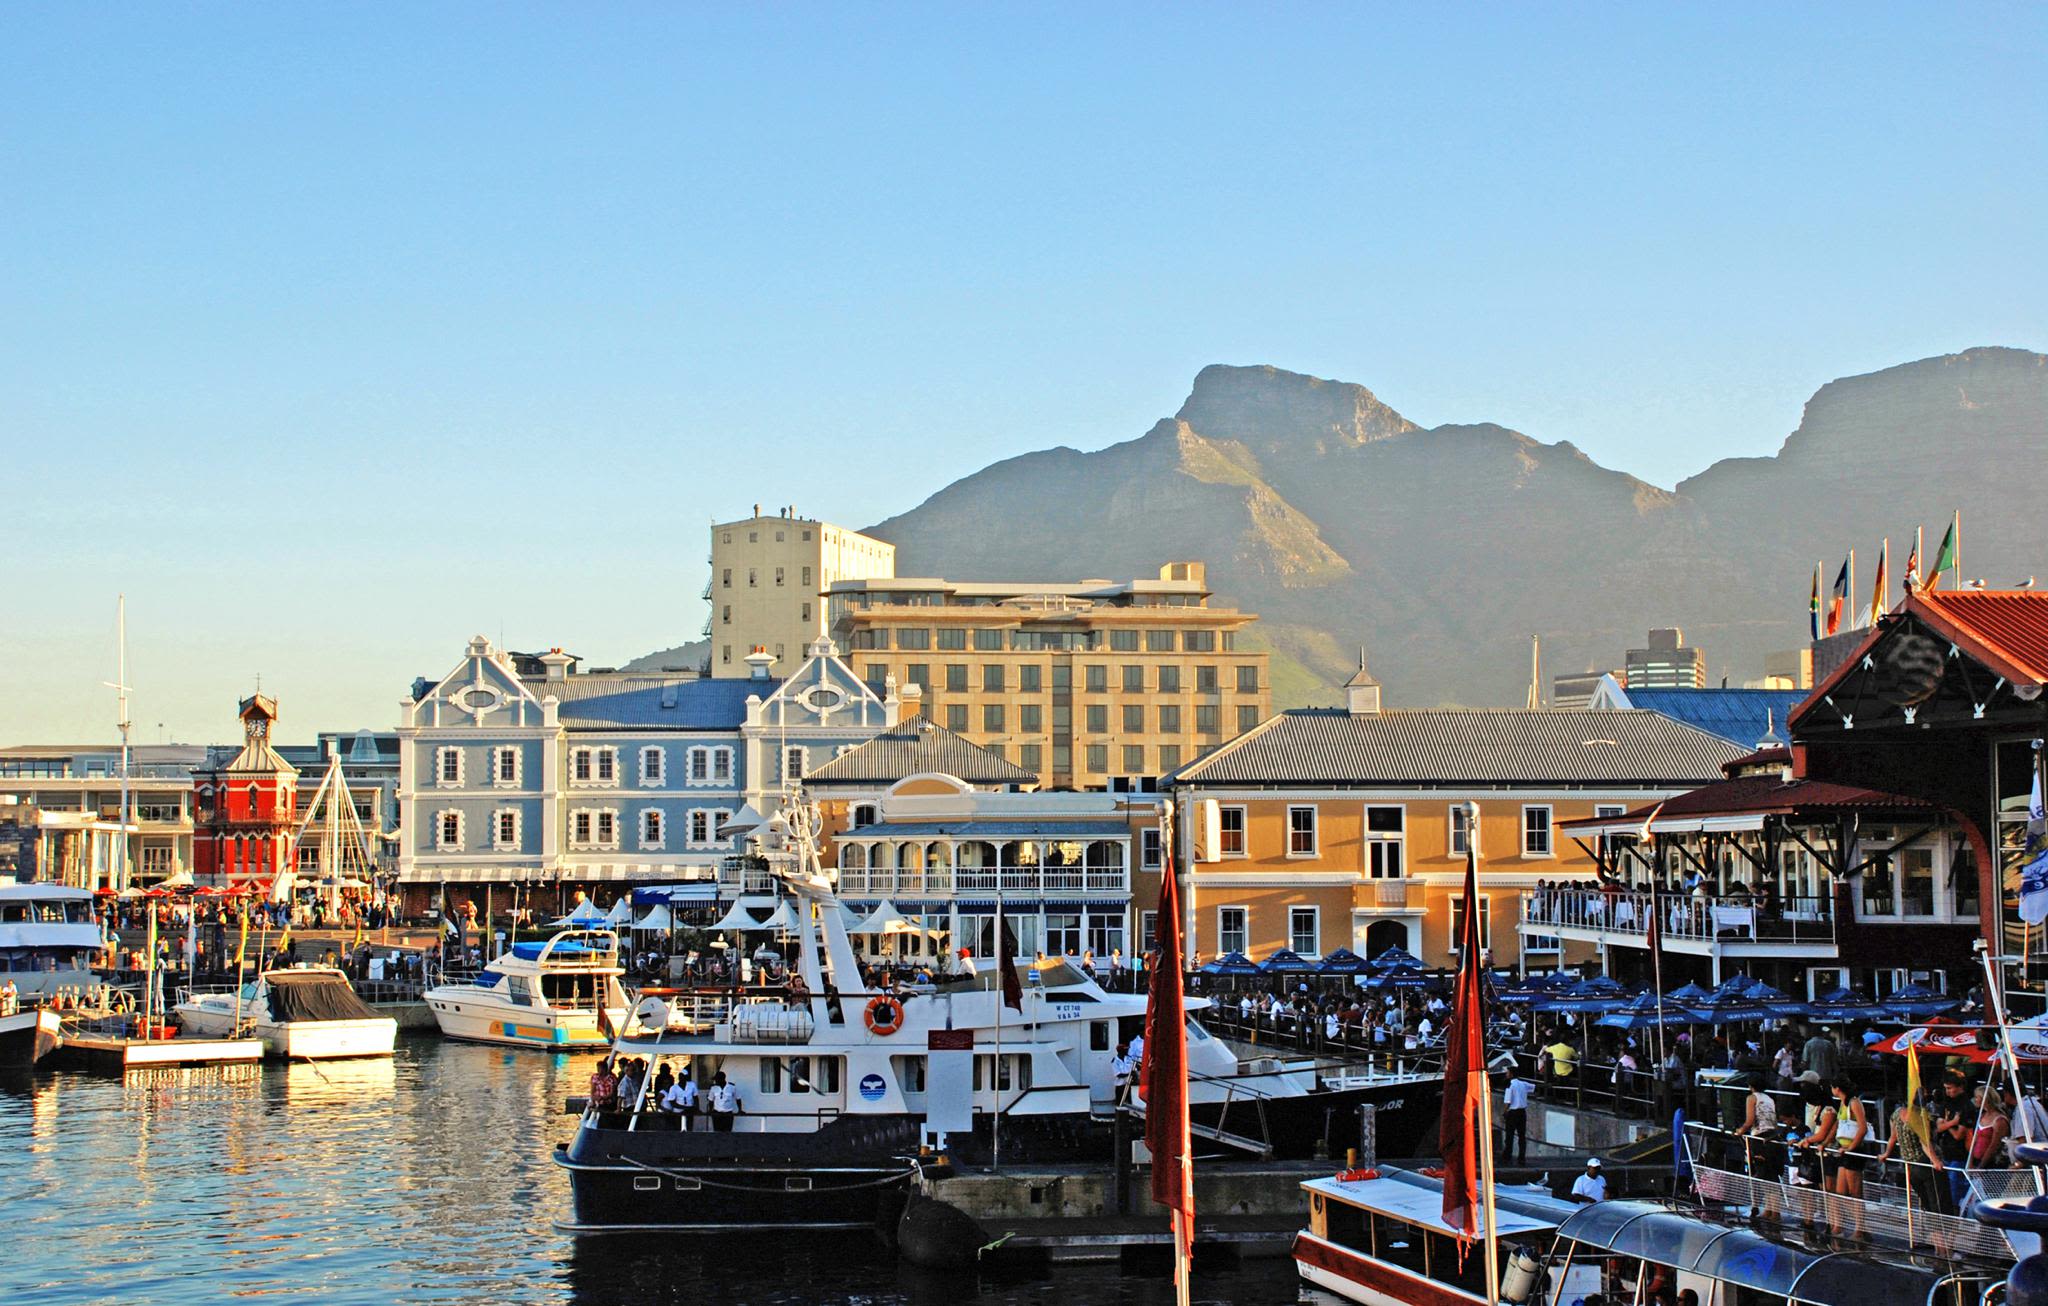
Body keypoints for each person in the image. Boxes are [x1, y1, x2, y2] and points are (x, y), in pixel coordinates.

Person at [1502, 1072, 1534, 1164]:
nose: (1506, 1075)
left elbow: (1508, 1101)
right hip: (1522, 1112)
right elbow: (1533, 1087)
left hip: (1513, 1112)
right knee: (1522, 1136)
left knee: (1509, 1135)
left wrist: (1504, 1112)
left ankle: (1507, 1156)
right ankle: (1521, 1157)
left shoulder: (1510, 1086)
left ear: (1511, 1074)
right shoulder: (1523, 1084)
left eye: (1507, 1073)